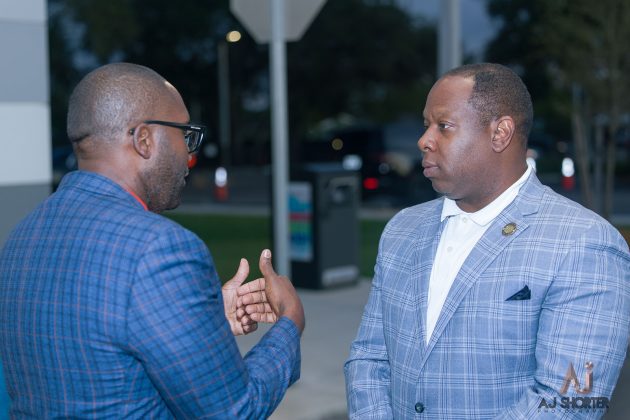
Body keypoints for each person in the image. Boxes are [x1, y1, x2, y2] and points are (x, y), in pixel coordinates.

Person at [0, 62, 304, 418]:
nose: (189, 154)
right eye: (184, 134)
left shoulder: (21, 238)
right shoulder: (158, 249)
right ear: (144, 140)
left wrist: (203, 322)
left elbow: (95, 354)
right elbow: (235, 411)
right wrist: (290, 322)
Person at [345, 63, 629, 419]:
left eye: (443, 126)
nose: (423, 140)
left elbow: (566, 404)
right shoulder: (403, 229)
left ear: (500, 133)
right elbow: (369, 358)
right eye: (425, 125)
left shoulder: (584, 243)